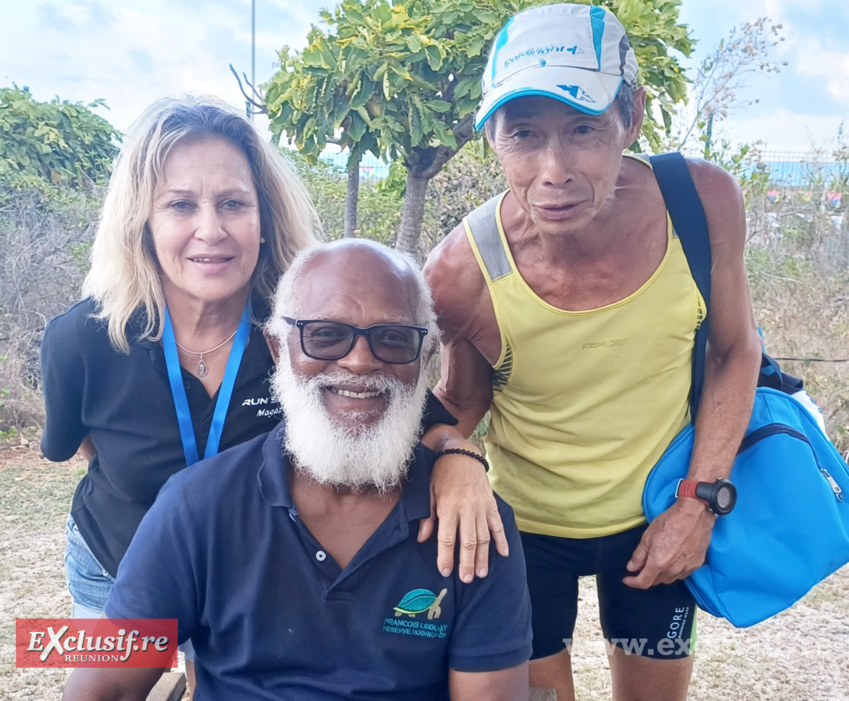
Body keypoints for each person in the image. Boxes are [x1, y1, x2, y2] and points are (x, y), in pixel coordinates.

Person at [39, 97, 490, 693]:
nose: (211, 230)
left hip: (244, 571)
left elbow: (420, 414)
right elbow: (83, 448)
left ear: (264, 216)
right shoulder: (84, 338)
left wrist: (460, 461)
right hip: (112, 560)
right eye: (180, 205)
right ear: (141, 220)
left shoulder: (303, 333)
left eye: (233, 204)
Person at [424, 5, 762, 700]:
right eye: (523, 134)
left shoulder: (700, 204)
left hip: (657, 510)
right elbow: (457, 400)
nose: (554, 171)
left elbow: (733, 350)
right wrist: (449, 462)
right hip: (525, 532)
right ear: (491, 137)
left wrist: (697, 504)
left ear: (629, 118)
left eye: (583, 129)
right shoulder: (461, 271)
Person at [62, 240, 533, 701]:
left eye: (393, 338)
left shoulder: (474, 525)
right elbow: (108, 686)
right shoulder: (197, 506)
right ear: (278, 347)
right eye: (326, 334)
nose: (359, 362)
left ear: (425, 358)